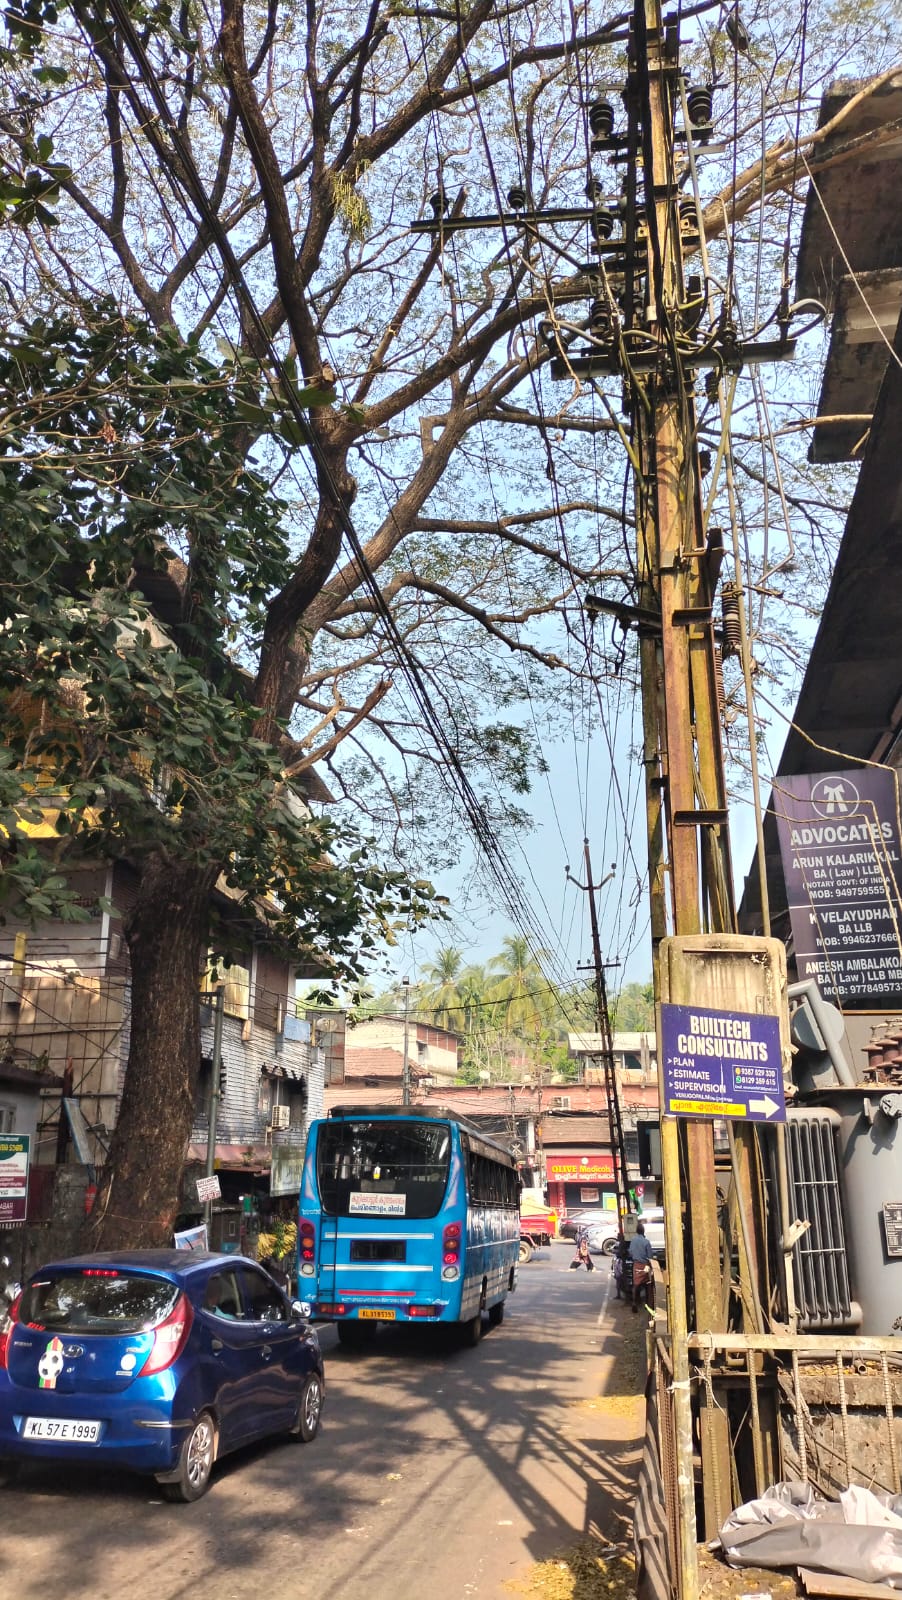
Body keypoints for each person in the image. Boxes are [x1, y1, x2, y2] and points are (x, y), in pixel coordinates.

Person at [627, 1220, 655, 1312]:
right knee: (647, 1285)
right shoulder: (646, 1242)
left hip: (636, 1265)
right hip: (645, 1265)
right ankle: (648, 1304)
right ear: (643, 1231)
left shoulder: (633, 1240)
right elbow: (650, 1256)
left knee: (636, 1285)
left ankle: (634, 1303)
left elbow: (630, 1252)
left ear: (636, 1231)